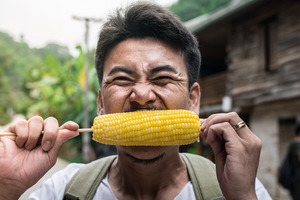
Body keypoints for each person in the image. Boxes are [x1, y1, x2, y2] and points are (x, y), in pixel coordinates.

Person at [0, 2, 271, 200]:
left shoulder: (242, 189)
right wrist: (6, 186)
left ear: (193, 100)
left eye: (163, 78)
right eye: (121, 80)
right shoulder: (60, 191)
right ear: (101, 105)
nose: (142, 95)